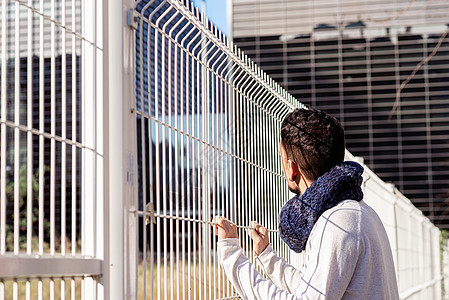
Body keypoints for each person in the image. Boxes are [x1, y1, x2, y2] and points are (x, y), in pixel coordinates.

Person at [215, 108, 399, 300]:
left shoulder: (337, 222)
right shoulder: (356, 211)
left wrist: (231, 254)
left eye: (282, 159)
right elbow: (313, 289)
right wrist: (266, 255)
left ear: (292, 168)